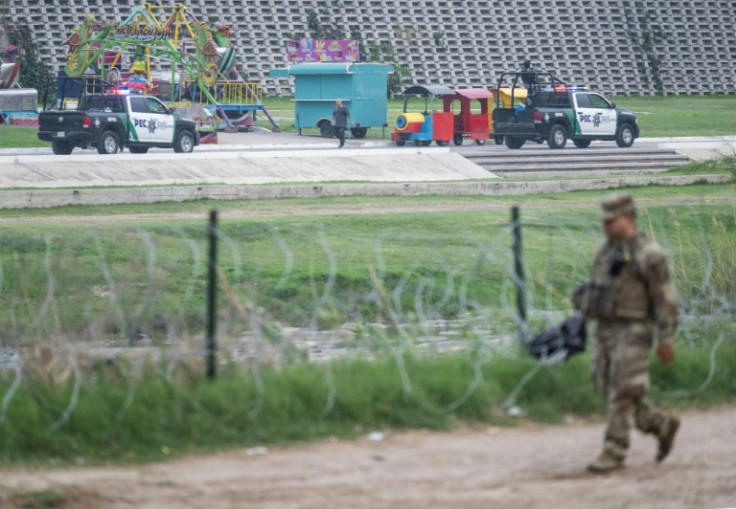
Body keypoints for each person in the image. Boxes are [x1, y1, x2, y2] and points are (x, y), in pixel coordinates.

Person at [573, 192, 680, 474]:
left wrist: (666, 339)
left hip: (636, 330)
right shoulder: (606, 252)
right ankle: (660, 424)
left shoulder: (649, 255)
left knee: (622, 391)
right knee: (607, 384)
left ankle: (614, 452)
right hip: (606, 329)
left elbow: (664, 300)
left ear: (628, 218)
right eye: (604, 221)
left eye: (612, 221)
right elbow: (598, 288)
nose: (606, 226)